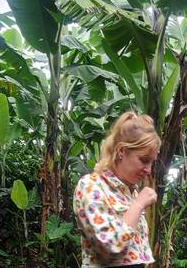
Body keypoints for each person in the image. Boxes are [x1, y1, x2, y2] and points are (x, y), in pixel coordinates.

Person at [73, 111, 161, 268]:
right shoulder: (91, 186)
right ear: (121, 150)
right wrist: (138, 205)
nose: (148, 169)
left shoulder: (130, 193)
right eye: (144, 160)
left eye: (151, 163)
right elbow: (111, 246)